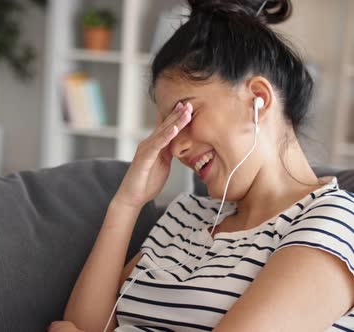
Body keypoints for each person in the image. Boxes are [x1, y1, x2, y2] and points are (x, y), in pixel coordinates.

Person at [48, 0, 354, 331]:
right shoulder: (186, 216)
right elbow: (85, 325)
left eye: (186, 114)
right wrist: (126, 204)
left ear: (258, 99)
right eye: (167, 125)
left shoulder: (333, 223)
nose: (176, 146)